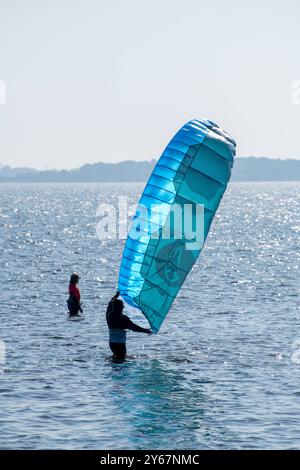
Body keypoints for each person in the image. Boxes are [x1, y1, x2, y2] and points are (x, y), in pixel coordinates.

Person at [106, 291, 152, 361]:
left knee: (115, 358)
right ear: (120, 308)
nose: (123, 307)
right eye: (122, 306)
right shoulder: (123, 319)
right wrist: (146, 331)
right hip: (120, 345)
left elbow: (109, 305)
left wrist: (116, 295)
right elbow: (135, 328)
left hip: (112, 344)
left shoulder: (109, 316)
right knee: (121, 362)